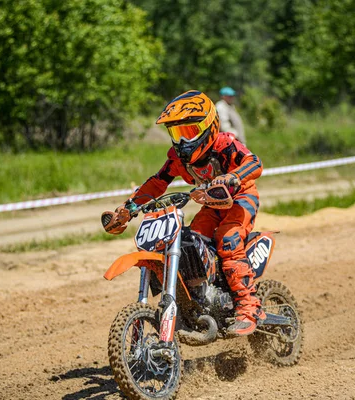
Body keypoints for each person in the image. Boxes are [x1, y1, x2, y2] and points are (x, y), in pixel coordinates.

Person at [103, 90, 264, 336]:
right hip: (212, 203)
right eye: (176, 133)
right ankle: (201, 298)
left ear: (208, 127)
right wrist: (129, 208)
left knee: (229, 240)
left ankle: (248, 307)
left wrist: (234, 176)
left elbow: (254, 162)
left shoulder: (225, 145)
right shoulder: (178, 159)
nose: (182, 141)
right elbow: (157, 182)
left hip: (241, 198)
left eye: (188, 132)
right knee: (191, 241)